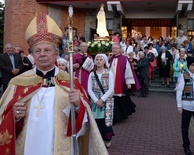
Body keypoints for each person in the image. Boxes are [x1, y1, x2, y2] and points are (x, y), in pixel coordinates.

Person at [0, 13, 108, 155]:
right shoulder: (18, 84)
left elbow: (85, 126)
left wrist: (77, 107)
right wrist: (14, 116)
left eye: (47, 50)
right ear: (32, 55)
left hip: (60, 145)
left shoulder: (70, 82)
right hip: (28, 145)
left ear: (56, 54)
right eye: (37, 51)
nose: (42, 54)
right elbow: (4, 120)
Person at [88, 54, 114, 148]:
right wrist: (95, 100)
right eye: (97, 59)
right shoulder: (91, 74)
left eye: (101, 59)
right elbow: (89, 89)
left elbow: (111, 89)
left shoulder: (109, 73)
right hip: (94, 102)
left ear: (104, 61)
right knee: (96, 120)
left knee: (105, 121)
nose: (98, 61)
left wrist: (102, 99)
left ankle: (107, 138)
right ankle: (97, 139)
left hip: (106, 101)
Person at [109, 43, 140, 122]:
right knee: (113, 99)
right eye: (113, 48)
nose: (114, 50)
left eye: (116, 48)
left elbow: (128, 70)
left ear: (120, 49)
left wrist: (129, 83)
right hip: (111, 83)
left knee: (121, 98)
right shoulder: (111, 58)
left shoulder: (124, 58)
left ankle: (121, 115)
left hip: (121, 82)